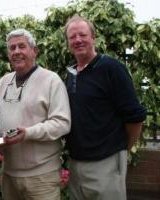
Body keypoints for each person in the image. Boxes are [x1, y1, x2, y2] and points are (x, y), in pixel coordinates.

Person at [64, 15, 147, 200]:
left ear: (93, 38)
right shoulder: (71, 74)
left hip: (105, 163)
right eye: (72, 37)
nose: (78, 40)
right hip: (76, 163)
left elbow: (135, 118)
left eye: (83, 35)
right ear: (68, 42)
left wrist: (121, 150)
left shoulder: (112, 68)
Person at [0, 28, 71, 200]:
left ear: (34, 51)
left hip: (41, 176)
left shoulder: (51, 80)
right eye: (12, 48)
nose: (16, 52)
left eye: (22, 46)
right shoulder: (3, 82)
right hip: (9, 174)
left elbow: (62, 123)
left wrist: (27, 133)